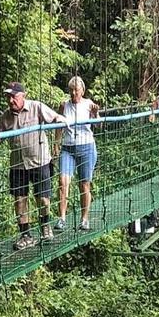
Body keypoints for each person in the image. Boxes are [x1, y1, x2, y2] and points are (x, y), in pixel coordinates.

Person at [0, 82, 67, 250]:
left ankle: (45, 226)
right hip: (18, 164)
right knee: (20, 200)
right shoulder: (6, 116)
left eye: (14, 96)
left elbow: (57, 117)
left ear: (23, 95)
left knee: (42, 199)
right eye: (8, 96)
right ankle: (26, 235)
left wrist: (60, 120)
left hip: (39, 161)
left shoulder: (36, 107)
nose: (11, 100)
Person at [54, 76, 100, 231]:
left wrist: (95, 114)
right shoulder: (64, 105)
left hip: (86, 147)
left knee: (84, 184)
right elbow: (59, 125)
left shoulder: (89, 104)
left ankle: (84, 219)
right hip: (68, 148)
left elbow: (98, 125)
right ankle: (61, 218)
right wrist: (56, 142)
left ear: (83, 90)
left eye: (77, 90)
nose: (74, 93)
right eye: (71, 90)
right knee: (62, 182)